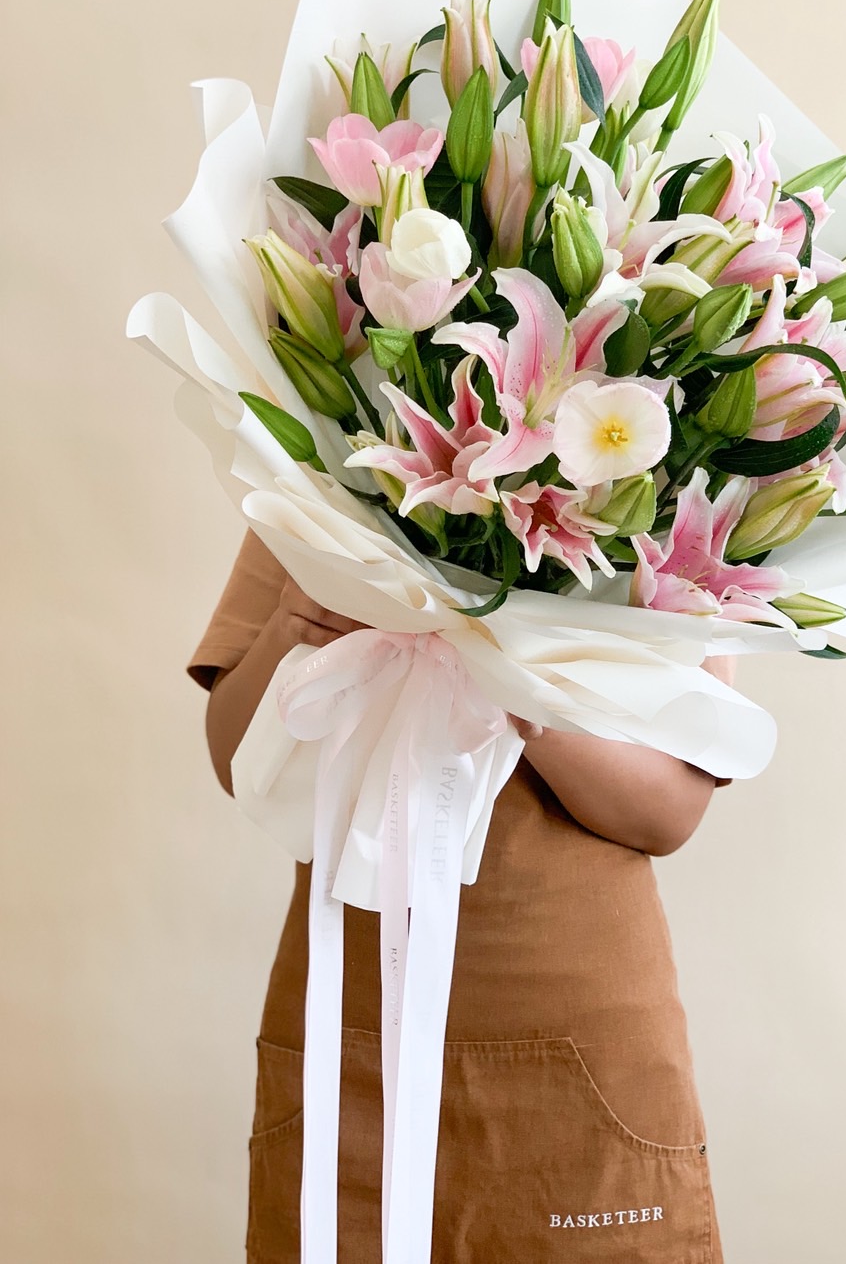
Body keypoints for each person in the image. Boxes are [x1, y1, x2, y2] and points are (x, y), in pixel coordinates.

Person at [191, 528, 735, 1262]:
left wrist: (513, 684)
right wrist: (290, 625)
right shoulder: (320, 478)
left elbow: (669, 812)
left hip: (580, 1040)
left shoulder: (673, 498)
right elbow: (233, 753)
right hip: (349, 1030)